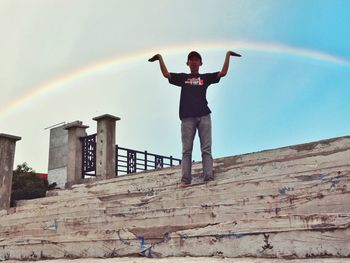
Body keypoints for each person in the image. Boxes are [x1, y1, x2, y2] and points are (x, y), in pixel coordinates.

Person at [148, 50, 240, 187]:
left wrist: (227, 55)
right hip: (187, 118)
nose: (194, 61)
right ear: (187, 63)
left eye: (197, 59)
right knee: (186, 151)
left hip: (204, 116)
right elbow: (166, 75)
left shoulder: (206, 78)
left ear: (200, 63)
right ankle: (185, 180)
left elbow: (223, 73)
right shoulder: (183, 78)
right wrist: (160, 58)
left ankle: (208, 178)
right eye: (191, 59)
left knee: (206, 149)